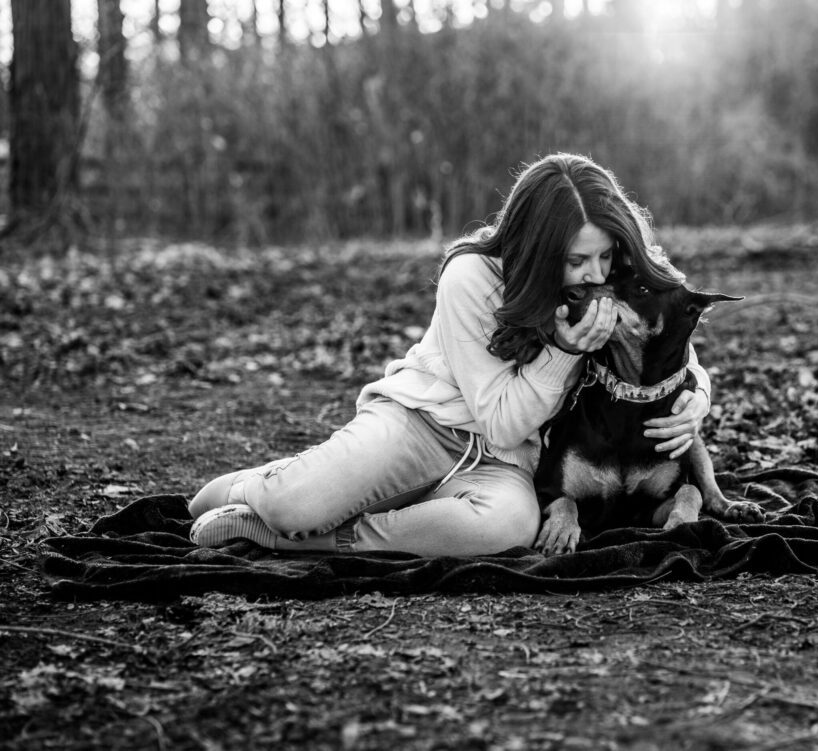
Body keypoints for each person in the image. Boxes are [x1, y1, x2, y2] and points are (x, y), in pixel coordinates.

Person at [188, 153, 713, 556]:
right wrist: (563, 352)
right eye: (576, 259)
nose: (595, 275)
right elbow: (500, 419)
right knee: (290, 504)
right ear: (537, 246)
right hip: (422, 424)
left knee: (509, 528)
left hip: (508, 463)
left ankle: (300, 540)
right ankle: (254, 488)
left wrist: (699, 396)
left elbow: (672, 341)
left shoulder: (609, 284)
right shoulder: (474, 278)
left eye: (604, 256)